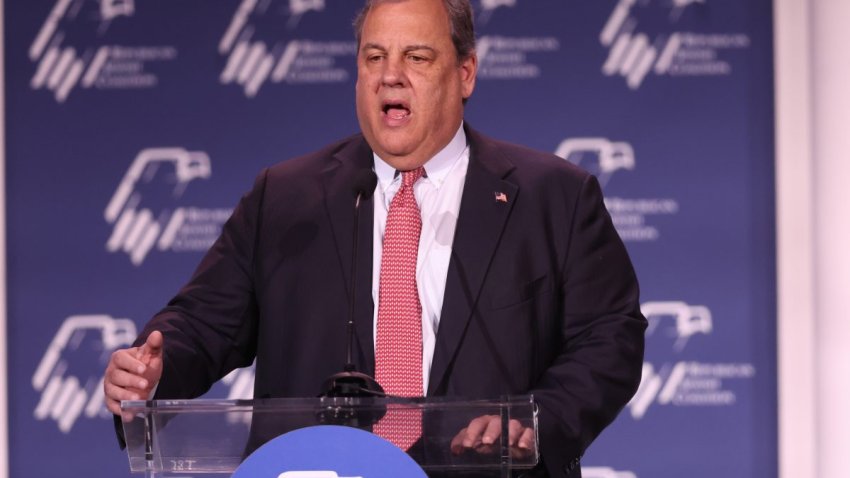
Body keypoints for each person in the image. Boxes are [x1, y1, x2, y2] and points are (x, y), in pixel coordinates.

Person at [103, 0, 646, 476]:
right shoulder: (286, 198)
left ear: (465, 73)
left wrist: (534, 425)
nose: (390, 76)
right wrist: (153, 371)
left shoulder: (553, 197)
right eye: (374, 57)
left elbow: (609, 338)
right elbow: (203, 322)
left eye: (417, 57)